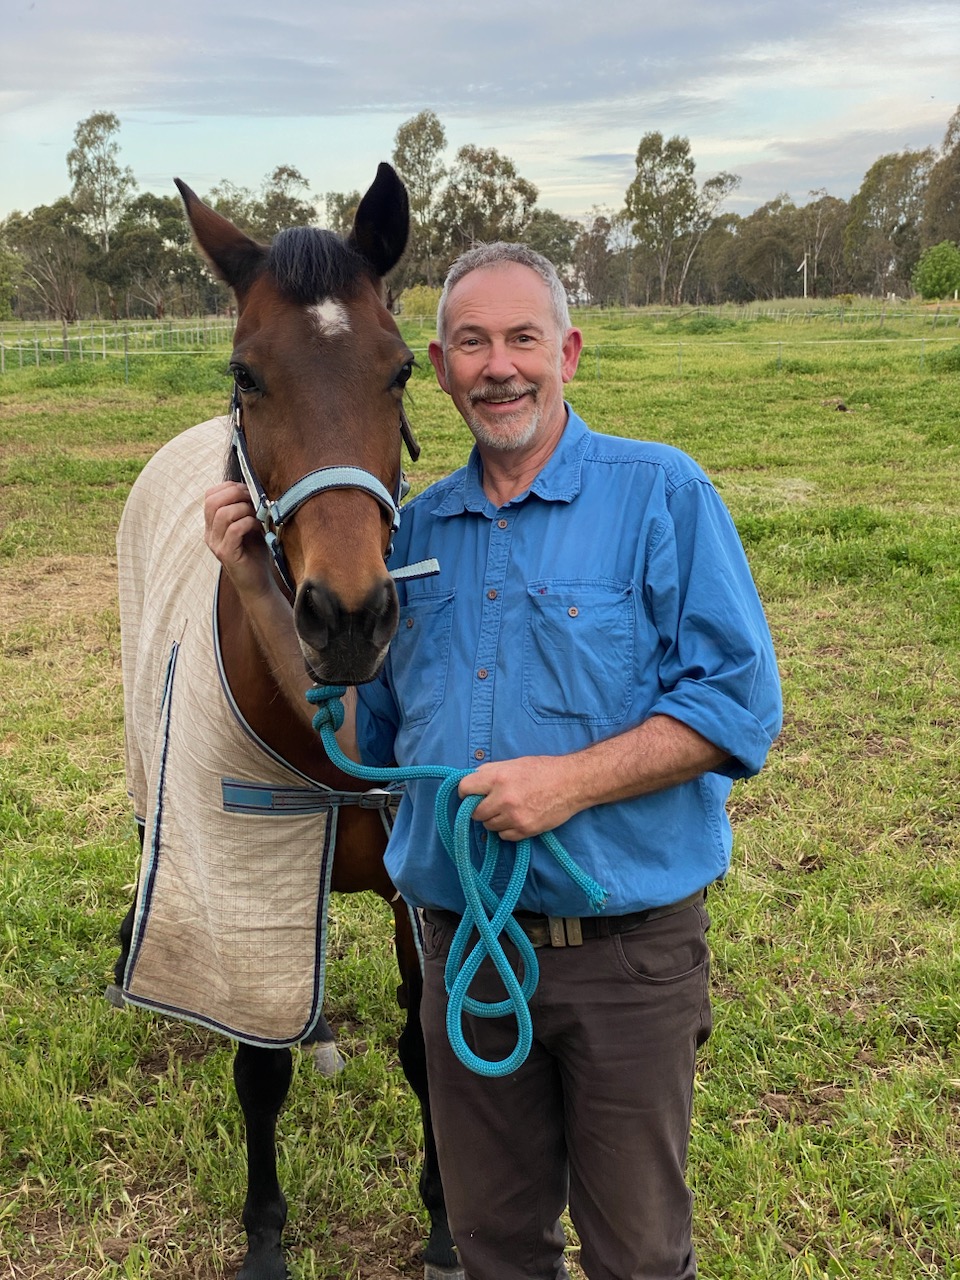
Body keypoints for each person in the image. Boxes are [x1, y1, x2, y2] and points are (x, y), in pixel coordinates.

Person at [207, 243, 782, 1280]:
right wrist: (254, 584)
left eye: (524, 338)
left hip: (624, 957)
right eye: (472, 343)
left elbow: (738, 705)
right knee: (494, 1249)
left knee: (640, 1255)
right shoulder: (414, 533)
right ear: (439, 368)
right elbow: (361, 743)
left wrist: (567, 782)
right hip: (465, 954)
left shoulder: (660, 492)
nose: (500, 365)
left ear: (568, 351)